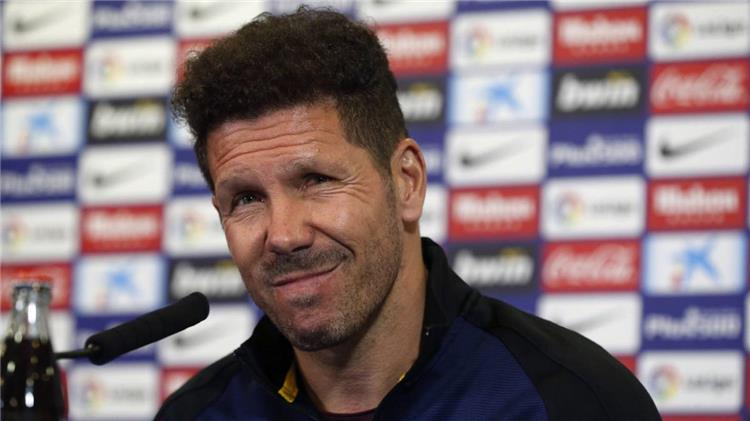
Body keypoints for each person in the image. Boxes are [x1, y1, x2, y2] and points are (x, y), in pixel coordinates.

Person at [156, 7, 660, 421]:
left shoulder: (572, 402)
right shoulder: (195, 414)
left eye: (317, 180)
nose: (284, 235)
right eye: (246, 199)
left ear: (406, 182)